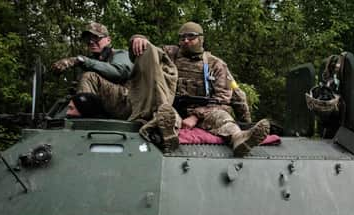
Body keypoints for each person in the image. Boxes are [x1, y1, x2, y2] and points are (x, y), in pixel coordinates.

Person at [130, 22, 270, 157]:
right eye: (182, 37)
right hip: (173, 107)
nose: (185, 41)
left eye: (191, 37)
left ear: (201, 39)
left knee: (222, 117)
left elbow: (223, 98)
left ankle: (239, 138)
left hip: (204, 112)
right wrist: (139, 40)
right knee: (167, 115)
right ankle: (169, 137)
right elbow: (148, 55)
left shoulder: (215, 64)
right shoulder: (169, 53)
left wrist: (195, 117)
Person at [51, 22, 133, 90]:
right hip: (103, 101)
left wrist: (81, 60)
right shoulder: (92, 61)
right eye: (87, 39)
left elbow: (119, 72)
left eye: (96, 37)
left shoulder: (120, 54)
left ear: (108, 40)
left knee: (88, 76)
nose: (91, 42)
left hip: (125, 101)